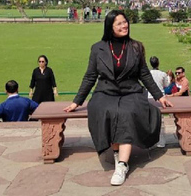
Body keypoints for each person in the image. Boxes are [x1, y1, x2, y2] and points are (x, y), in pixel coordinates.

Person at [63, 10, 172, 186]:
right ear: (110, 27)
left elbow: (144, 74)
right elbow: (90, 76)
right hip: (106, 91)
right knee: (106, 111)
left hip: (131, 91)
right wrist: (77, 101)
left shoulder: (136, 47)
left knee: (127, 113)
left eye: (125, 22)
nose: (124, 26)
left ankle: (122, 164)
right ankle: (116, 153)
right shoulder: (98, 48)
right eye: (119, 23)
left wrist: (160, 96)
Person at [148, 56, 169, 148]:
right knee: (161, 121)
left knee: (149, 120)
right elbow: (166, 84)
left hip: (149, 97)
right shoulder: (162, 74)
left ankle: (149, 142)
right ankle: (161, 142)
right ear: (158, 63)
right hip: (160, 98)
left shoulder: (148, 73)